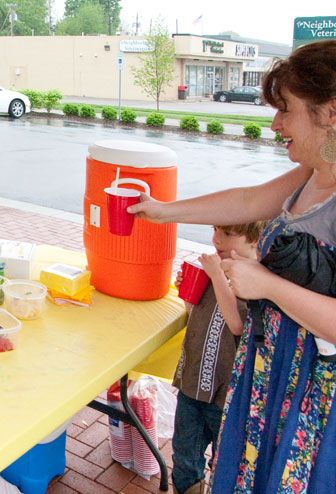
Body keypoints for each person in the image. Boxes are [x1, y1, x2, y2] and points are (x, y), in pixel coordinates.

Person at [129, 39, 336, 493]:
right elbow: (245, 201)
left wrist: (267, 285)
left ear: (331, 113)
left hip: (311, 391)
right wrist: (163, 210)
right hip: (266, 368)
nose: (276, 123)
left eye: (287, 110)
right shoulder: (311, 173)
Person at [171, 222, 265, 494]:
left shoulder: (254, 279)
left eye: (227, 234)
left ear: (254, 240)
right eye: (215, 231)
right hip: (193, 381)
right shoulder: (216, 270)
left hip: (226, 394)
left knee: (226, 460)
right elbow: (196, 315)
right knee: (185, 454)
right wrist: (187, 291)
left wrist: (217, 277)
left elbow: (237, 325)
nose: (216, 239)